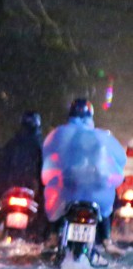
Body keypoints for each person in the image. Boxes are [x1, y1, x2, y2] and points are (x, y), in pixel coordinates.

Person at [42, 98, 126, 256]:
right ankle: (107, 240)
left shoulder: (59, 134)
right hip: (96, 192)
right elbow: (120, 158)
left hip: (68, 190)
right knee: (106, 208)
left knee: (56, 204)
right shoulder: (101, 137)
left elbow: (48, 155)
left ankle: (53, 236)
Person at [0, 111, 46, 236]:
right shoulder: (41, 145)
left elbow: (0, 159)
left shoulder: (14, 142)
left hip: (13, 186)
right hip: (29, 188)